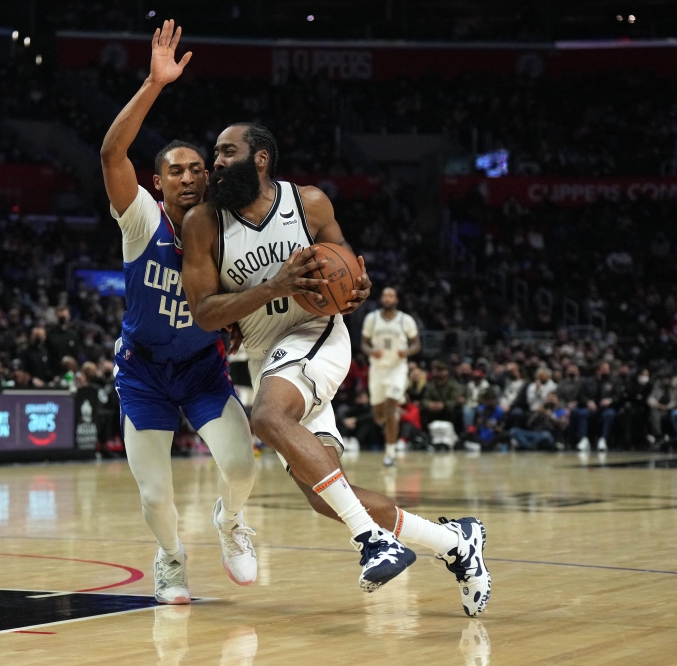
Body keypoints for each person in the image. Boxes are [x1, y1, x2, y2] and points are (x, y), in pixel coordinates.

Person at [181, 119, 490, 615]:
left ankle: (371, 540)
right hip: (265, 355)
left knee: (266, 418)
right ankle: (455, 542)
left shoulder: (308, 203)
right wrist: (270, 289)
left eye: (226, 152)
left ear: (260, 158)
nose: (215, 162)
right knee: (326, 495)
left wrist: (358, 286)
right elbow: (203, 313)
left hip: (315, 334)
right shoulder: (203, 223)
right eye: (214, 152)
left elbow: (345, 262)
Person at [100, 20, 257, 605]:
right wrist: (154, 83)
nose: (189, 176)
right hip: (144, 372)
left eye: (198, 168)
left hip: (201, 369)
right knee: (154, 497)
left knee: (241, 468)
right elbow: (112, 151)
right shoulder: (141, 217)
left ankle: (230, 521)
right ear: (158, 181)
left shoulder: (227, 227)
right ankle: (170, 557)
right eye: (176, 170)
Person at [361, 287, 420, 467]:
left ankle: (390, 453)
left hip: (397, 369)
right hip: (378, 369)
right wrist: (371, 351)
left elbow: (417, 344)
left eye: (391, 295)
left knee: (390, 407)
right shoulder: (372, 319)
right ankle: (390, 425)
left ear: (396, 300)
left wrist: (407, 352)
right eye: (385, 295)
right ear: (381, 299)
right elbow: (363, 343)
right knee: (379, 415)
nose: (387, 298)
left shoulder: (405, 320)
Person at [574, 361, 619, 453]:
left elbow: (618, 396)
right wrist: (588, 402)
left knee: (609, 414)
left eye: (608, 369)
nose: (607, 371)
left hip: (606, 408)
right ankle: (584, 439)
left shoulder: (614, 381)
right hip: (591, 408)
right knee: (582, 413)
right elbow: (581, 396)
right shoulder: (587, 381)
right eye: (605, 369)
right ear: (598, 370)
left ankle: (603, 440)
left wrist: (610, 400)